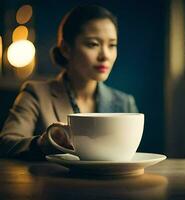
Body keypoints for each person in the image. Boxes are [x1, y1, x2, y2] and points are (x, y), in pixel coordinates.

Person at [0, 4, 138, 160]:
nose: (105, 55)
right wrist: (43, 143)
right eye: (93, 44)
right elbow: (6, 143)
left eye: (112, 45)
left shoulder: (124, 103)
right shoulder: (36, 94)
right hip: (53, 182)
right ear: (66, 49)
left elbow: (132, 159)